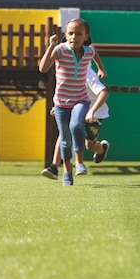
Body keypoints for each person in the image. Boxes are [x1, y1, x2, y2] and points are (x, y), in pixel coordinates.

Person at [39, 18, 96, 186]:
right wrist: (51, 46)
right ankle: (66, 171)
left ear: (86, 36)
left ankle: (79, 162)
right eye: (70, 33)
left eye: (79, 34)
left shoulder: (88, 51)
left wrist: (101, 69)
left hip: (80, 99)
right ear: (65, 35)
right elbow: (43, 68)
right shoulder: (60, 50)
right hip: (61, 103)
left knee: (76, 126)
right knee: (64, 140)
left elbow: (95, 52)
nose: (74, 37)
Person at [41, 64, 111, 180]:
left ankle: (101, 148)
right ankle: (53, 167)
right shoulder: (67, 73)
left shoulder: (88, 74)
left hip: (94, 114)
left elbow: (104, 94)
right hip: (75, 109)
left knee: (89, 145)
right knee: (64, 133)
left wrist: (92, 112)